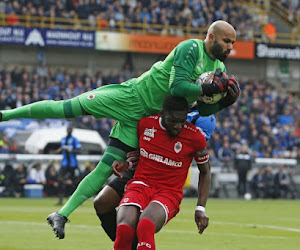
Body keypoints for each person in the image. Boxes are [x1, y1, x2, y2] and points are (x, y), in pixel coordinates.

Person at [0, 20, 239, 239]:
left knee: (105, 169)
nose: (230, 47)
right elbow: (177, 88)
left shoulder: (218, 67)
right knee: (67, 107)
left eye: (233, 43)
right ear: (210, 36)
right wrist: (206, 90)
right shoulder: (191, 48)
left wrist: (223, 102)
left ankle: (62, 214)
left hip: (147, 120)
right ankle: (6, 114)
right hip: (132, 97)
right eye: (226, 41)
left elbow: (203, 110)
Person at [93, 109, 216, 248]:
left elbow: (204, 170)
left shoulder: (197, 132)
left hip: (168, 186)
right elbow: (146, 151)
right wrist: (128, 163)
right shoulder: (147, 123)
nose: (177, 126)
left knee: (144, 225)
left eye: (181, 122)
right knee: (119, 222)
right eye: (174, 121)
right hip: (141, 179)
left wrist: (200, 208)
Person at [54, 125, 82, 205]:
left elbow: (80, 150)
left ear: (72, 130)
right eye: (68, 129)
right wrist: (56, 151)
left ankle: (76, 199)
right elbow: (61, 149)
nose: (69, 130)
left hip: (73, 164)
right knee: (60, 179)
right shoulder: (63, 139)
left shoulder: (74, 140)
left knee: (76, 181)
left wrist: (71, 150)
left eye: (70, 129)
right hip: (64, 164)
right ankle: (60, 199)